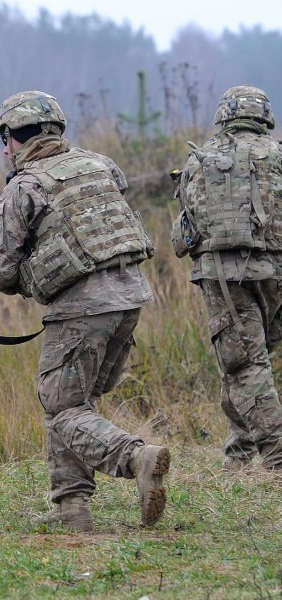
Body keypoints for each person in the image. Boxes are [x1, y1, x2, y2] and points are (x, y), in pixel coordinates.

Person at [0, 90, 170, 531]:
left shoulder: (25, 186)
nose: (5, 150)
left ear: (14, 138)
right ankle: (72, 509)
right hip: (130, 297)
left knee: (63, 407)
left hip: (81, 307)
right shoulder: (102, 165)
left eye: (5, 140)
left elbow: (3, 272)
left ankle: (136, 458)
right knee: (76, 404)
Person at [172, 84, 282, 471]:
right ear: (264, 116)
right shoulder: (277, 154)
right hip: (275, 271)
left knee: (243, 364)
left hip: (222, 274)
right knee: (251, 359)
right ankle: (238, 456)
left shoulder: (199, 159)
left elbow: (182, 236)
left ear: (224, 116)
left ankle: (276, 456)